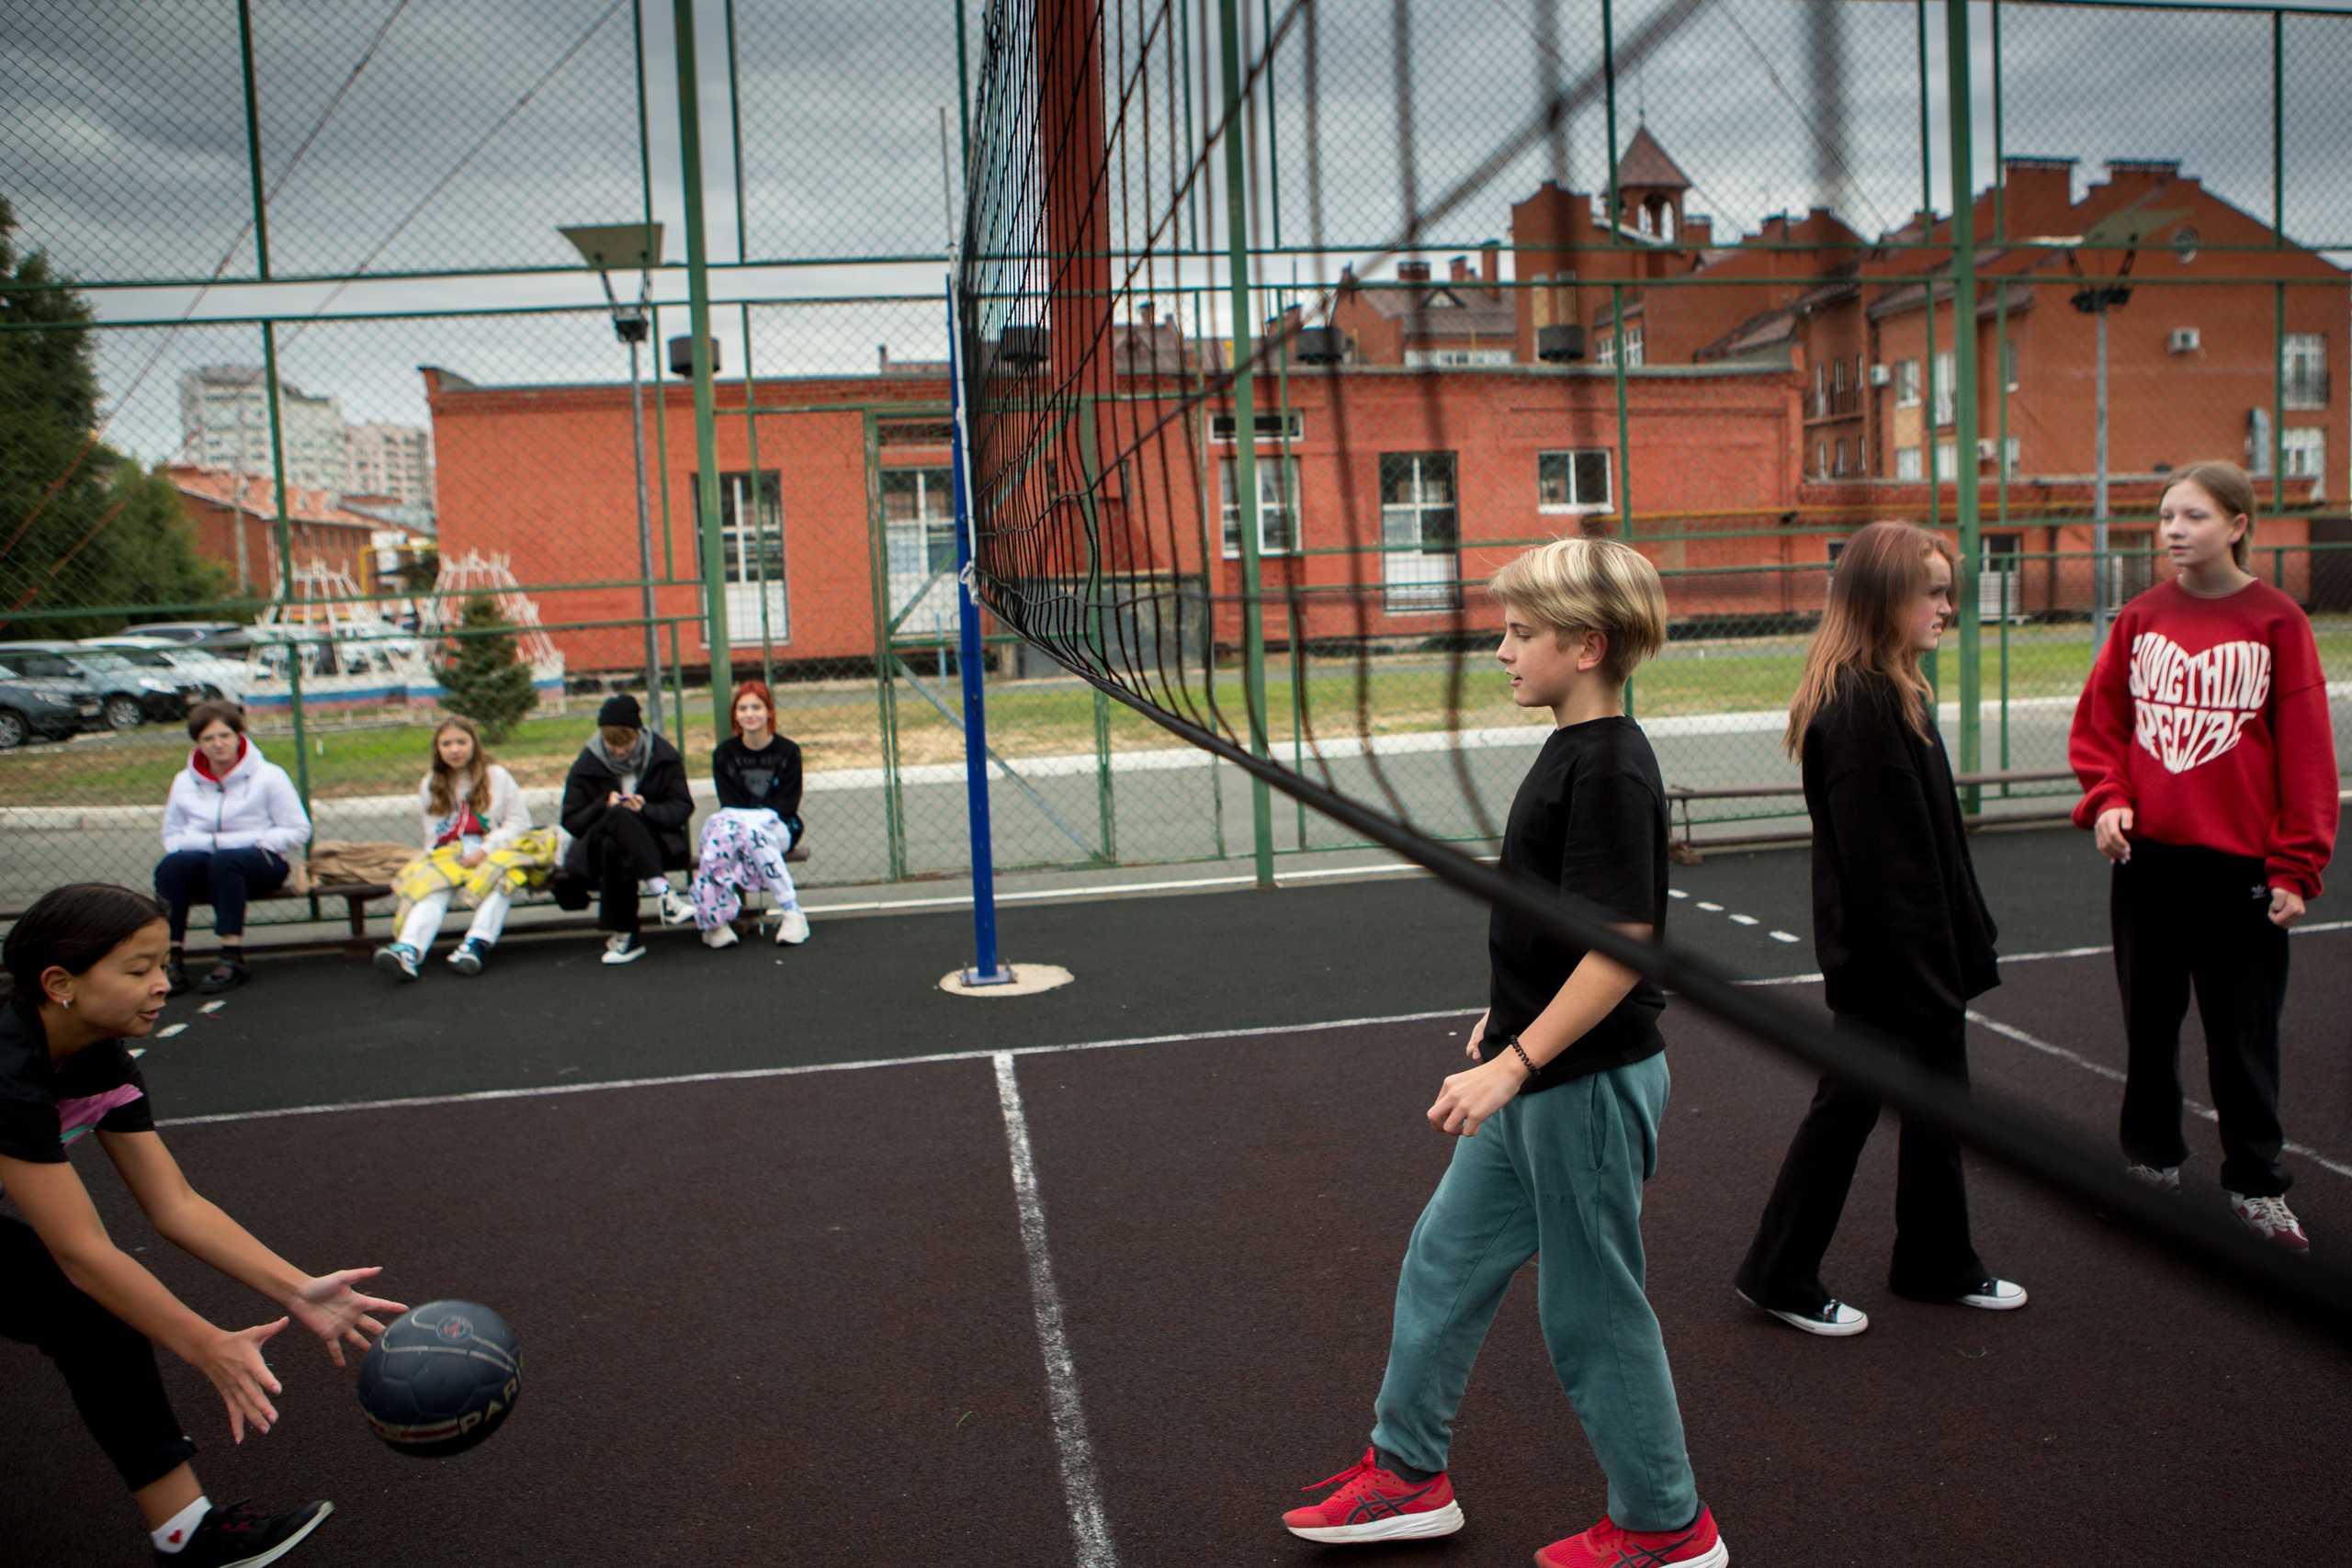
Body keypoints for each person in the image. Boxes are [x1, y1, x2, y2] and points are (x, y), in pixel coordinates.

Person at [1282, 537, 1726, 1568]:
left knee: (1590, 1313)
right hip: (1539, 1069)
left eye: (1520, 634)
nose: (1499, 651)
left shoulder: (1612, 765)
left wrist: (1514, 1060)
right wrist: (1506, 1017)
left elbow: (1621, 953)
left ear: (1587, 645)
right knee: (1443, 1259)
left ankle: (1668, 1528)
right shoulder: (1573, 749)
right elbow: (1557, 926)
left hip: (1582, 1087)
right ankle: (1406, 1476)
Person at [0, 883, 404, 1566]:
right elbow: (81, 1252)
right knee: (88, 1296)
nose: (161, 985)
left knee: (93, 1316)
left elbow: (175, 1204)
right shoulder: (9, 1070)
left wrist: (296, 1288)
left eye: (164, 964)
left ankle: (187, 1535)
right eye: (138, 970)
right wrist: (204, 1342)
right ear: (59, 981)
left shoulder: (100, 1056)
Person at [1732, 521, 2021, 1337]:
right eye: (1929, 590)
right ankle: (1780, 1269)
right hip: (1894, 967)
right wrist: (1931, 983)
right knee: (1849, 1104)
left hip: (1914, 961)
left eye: (1946, 588)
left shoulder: (1895, 690)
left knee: (1929, 1105)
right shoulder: (1859, 709)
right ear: (1879, 599)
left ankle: (1934, 1258)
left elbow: (1926, 850)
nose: (1946, 605)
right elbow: (1888, 870)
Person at [2069, 461, 2338, 1251]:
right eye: (2165, 516)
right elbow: (2100, 728)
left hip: (2242, 874)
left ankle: (2256, 1185)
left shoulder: (2278, 622)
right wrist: (2109, 799)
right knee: (2149, 1026)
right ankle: (2151, 1163)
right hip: (2149, 866)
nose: (2174, 529)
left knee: (2243, 1034)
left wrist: (2296, 866)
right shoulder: (2141, 618)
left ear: (2238, 523)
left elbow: (2309, 758)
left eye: (2192, 515)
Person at [373, 716, 561, 981]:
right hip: (453, 853)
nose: (455, 749)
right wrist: (443, 859)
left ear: (474, 743)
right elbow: (433, 837)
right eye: (446, 743)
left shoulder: (497, 776)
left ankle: (476, 944)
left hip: (498, 849)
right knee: (433, 885)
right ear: (437, 748)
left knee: (504, 879)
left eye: (461, 742)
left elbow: (520, 823)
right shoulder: (431, 783)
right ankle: (408, 949)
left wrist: (486, 849)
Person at [154, 703, 311, 998]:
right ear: (197, 743)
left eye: (225, 736)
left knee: (225, 862)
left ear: (239, 735)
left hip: (260, 862)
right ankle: (170, 958)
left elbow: (298, 829)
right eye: (208, 739)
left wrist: (258, 842)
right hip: (205, 862)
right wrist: (198, 846)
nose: (218, 744)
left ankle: (231, 955)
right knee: (172, 867)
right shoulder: (184, 782)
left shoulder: (269, 775)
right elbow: (172, 834)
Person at [554, 694, 695, 965]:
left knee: (615, 845)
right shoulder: (587, 763)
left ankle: (626, 936)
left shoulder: (663, 756)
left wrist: (645, 809)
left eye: (626, 743)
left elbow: (682, 807)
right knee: (615, 817)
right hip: (591, 851)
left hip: (655, 844)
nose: (620, 751)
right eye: (612, 743)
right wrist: (601, 807)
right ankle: (664, 893)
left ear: (639, 734)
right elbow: (571, 821)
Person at [687, 681, 810, 950]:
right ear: (735, 714)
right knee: (715, 831)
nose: (749, 714)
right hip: (737, 826)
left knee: (753, 834)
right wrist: (744, 823)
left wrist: (755, 821)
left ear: (769, 712)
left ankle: (792, 912)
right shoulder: (724, 754)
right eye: (742, 708)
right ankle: (715, 921)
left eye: (756, 707)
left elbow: (787, 804)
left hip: (781, 826)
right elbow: (730, 804)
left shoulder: (788, 751)